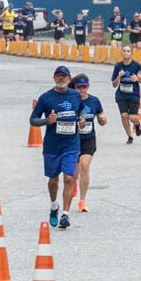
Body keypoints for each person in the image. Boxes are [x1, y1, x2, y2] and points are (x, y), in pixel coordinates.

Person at [30, 65, 83, 230]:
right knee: (53, 181)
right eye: (58, 76)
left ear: (69, 78)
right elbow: (33, 120)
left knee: (69, 178)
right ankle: (54, 206)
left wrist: (81, 119)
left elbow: (80, 111)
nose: (61, 79)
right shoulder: (46, 98)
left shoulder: (75, 95)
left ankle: (65, 214)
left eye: (64, 76)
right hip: (52, 146)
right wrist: (47, 121)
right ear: (54, 78)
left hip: (71, 144)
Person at [72, 75, 107, 213]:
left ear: (88, 87)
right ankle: (73, 182)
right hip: (73, 140)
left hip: (88, 139)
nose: (82, 90)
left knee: (85, 166)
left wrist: (103, 119)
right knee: (73, 173)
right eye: (79, 87)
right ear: (74, 88)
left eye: (84, 87)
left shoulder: (94, 101)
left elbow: (102, 119)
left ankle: (82, 201)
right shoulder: (70, 100)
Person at [111, 45, 141, 143]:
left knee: (132, 117)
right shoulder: (118, 66)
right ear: (121, 52)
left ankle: (137, 124)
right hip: (121, 95)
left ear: (131, 53)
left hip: (133, 94)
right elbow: (114, 84)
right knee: (124, 115)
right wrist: (118, 76)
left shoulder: (137, 66)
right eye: (124, 51)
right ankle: (130, 136)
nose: (126, 53)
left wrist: (137, 79)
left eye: (128, 51)